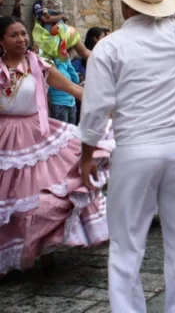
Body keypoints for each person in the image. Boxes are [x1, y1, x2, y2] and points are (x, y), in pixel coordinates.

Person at [79, 0, 175, 312]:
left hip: (135, 150)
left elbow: (95, 108)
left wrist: (87, 154)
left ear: (126, 2)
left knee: (126, 244)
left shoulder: (109, 47)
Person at [0, 16, 110, 277]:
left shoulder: (37, 65)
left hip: (36, 133)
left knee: (41, 192)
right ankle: (8, 255)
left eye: (23, 34)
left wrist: (103, 105)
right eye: (14, 35)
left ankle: (45, 250)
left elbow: (71, 86)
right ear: (1, 41)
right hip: (5, 136)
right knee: (8, 197)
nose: (21, 39)